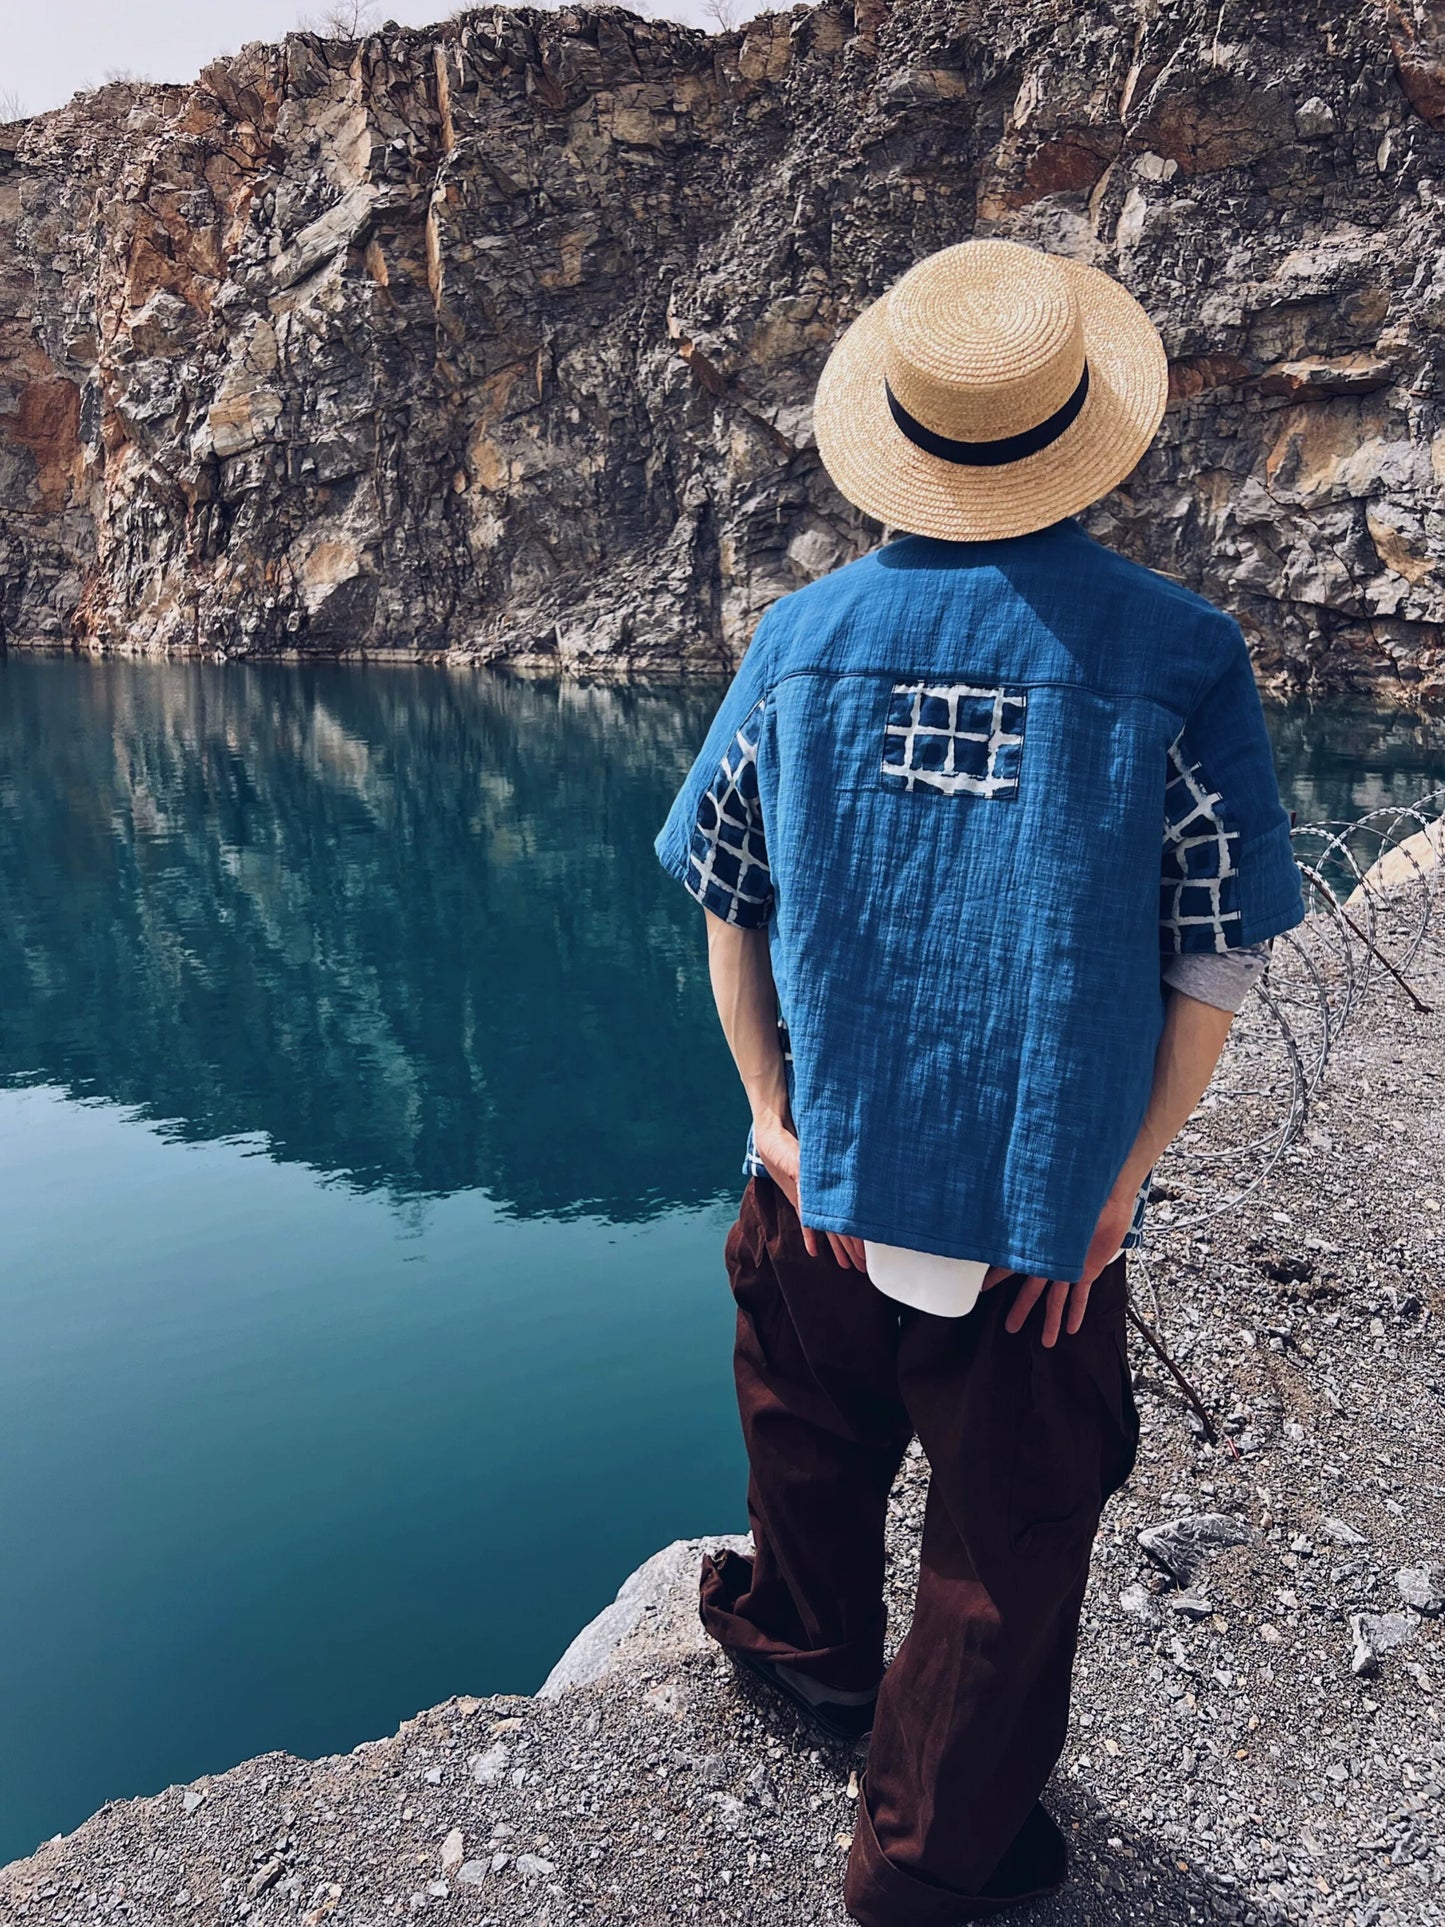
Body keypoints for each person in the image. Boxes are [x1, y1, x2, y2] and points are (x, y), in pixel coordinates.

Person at [654, 237, 1306, 1925]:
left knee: (805, 1423)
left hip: (821, 1180)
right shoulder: (1175, 655)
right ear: (1080, 424)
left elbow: (728, 893)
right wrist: (1115, 1180)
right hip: (1035, 1223)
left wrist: (769, 1117)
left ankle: (803, 1652)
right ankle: (929, 1864)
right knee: (1005, 1541)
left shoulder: (801, 638)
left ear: (896, 426)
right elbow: (1212, 951)